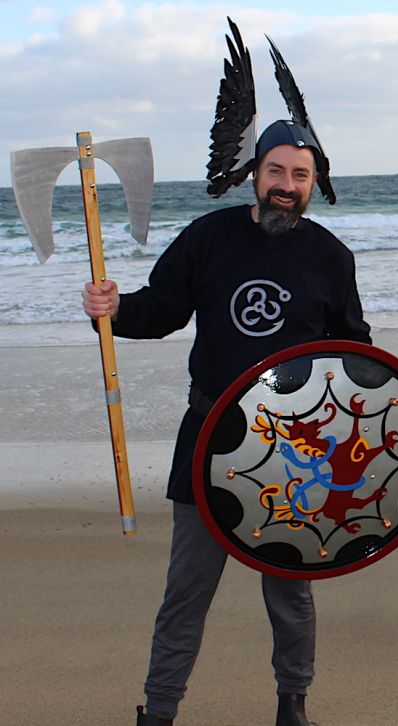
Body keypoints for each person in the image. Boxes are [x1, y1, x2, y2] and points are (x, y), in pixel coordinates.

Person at [82, 120, 371, 726]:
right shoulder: (207, 238)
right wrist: (112, 309)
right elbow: (158, 311)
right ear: (255, 174)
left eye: (299, 175)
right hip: (209, 438)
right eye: (275, 171)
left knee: (290, 590)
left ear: (314, 182)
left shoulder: (330, 257)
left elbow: (356, 357)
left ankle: (292, 706)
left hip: (297, 453)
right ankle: (158, 712)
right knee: (187, 590)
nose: (285, 185)